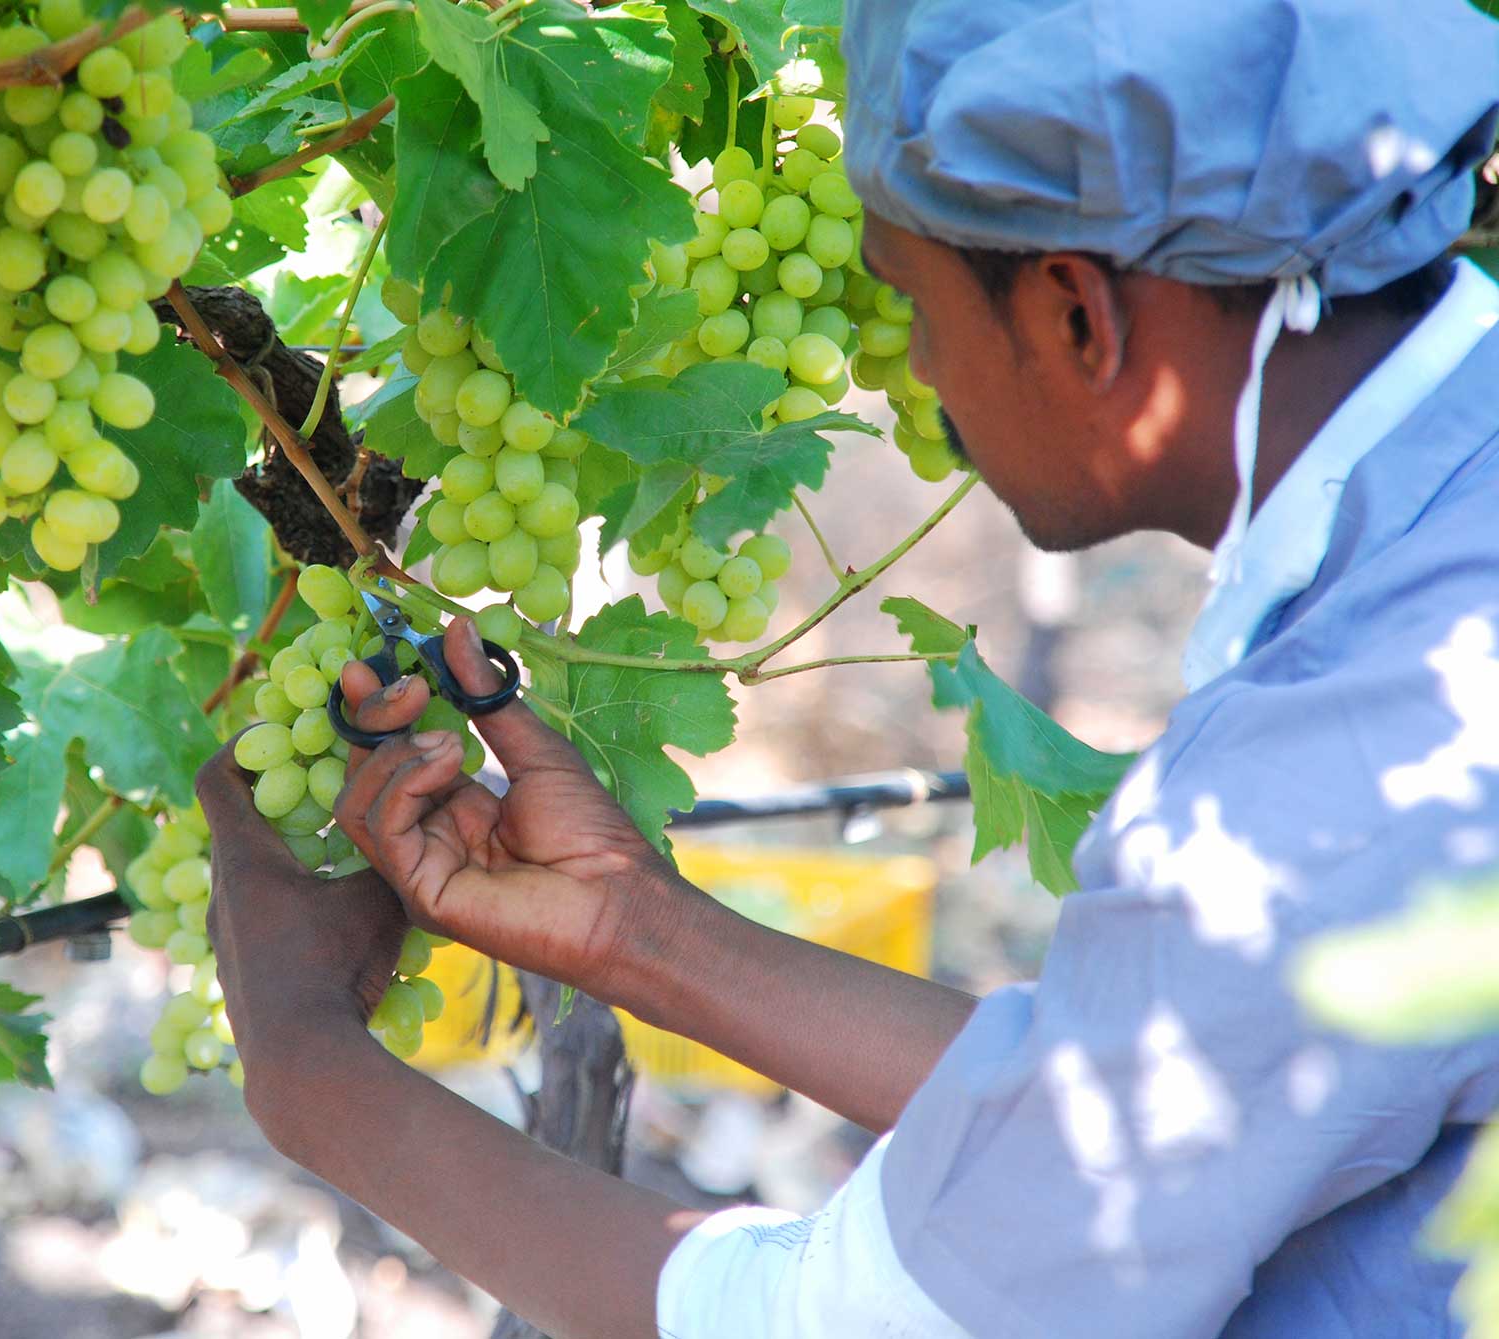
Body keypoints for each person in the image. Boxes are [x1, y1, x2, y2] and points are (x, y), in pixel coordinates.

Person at [195, 0, 1499, 1334]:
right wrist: (633, 928)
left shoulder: (1353, 761)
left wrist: (303, 1068)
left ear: (1076, 315)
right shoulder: (1443, 559)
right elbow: (1131, 1110)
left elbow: (873, 1318)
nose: (913, 369)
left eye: (909, 296)